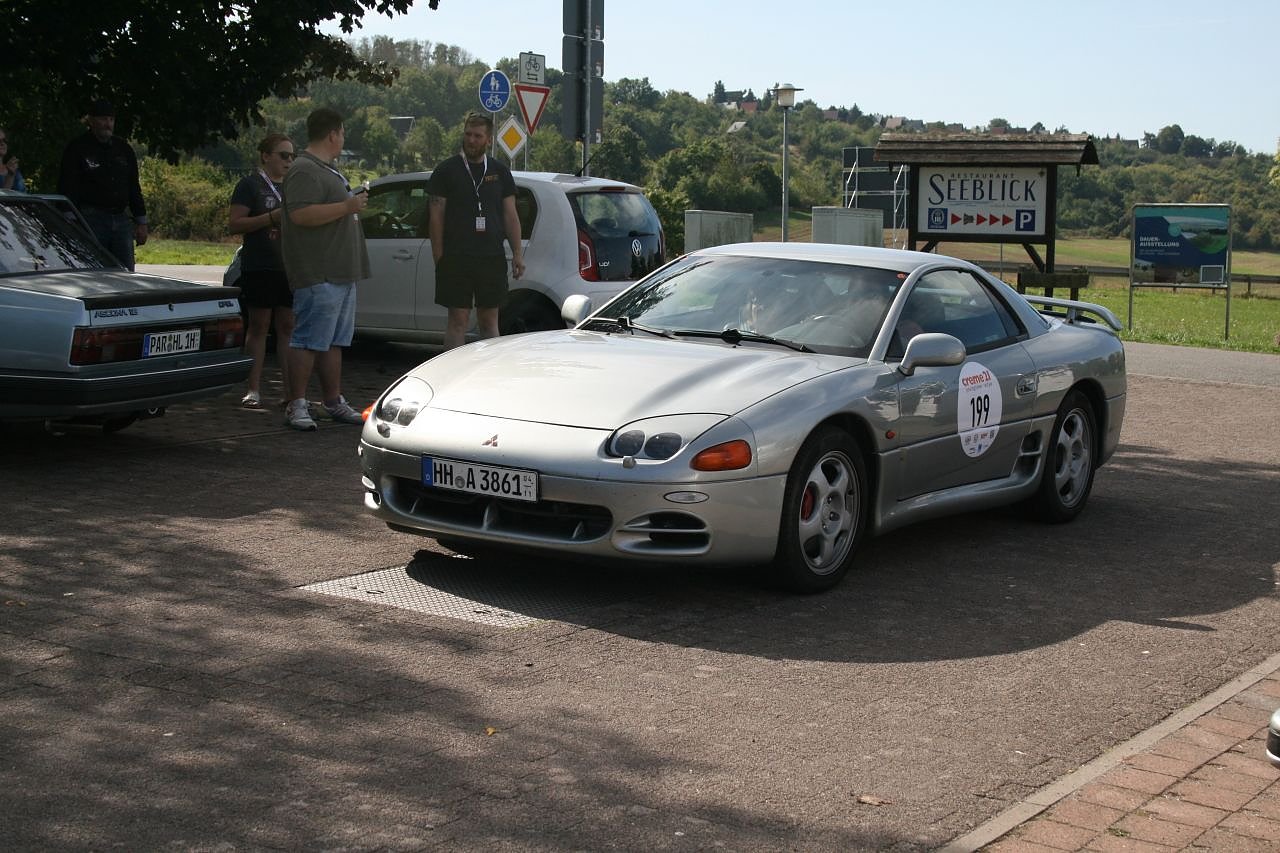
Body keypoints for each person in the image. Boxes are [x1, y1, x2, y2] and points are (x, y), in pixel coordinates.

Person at [279, 107, 369, 432]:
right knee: (307, 340)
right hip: (319, 273)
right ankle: (296, 404)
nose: (343, 138)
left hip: (340, 273)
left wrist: (349, 205)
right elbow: (300, 215)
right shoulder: (304, 170)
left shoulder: (327, 169)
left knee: (333, 342)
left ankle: (332, 401)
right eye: (342, 133)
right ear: (333, 134)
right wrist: (347, 206)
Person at [428, 112, 525, 349]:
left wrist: (517, 254)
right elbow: (436, 216)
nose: (471, 140)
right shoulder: (446, 170)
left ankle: (491, 368)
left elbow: (510, 215)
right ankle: (453, 368)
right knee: (458, 320)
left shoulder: (500, 172)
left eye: (478, 136)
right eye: (468, 134)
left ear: (488, 140)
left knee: (489, 320)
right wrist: (439, 257)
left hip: (491, 257)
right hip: (456, 257)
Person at [228, 133, 297, 410]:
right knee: (258, 327)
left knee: (287, 327)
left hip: (288, 266)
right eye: (283, 155)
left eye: (292, 156)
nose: (288, 161)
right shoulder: (250, 185)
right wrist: (271, 218)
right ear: (266, 156)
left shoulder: (294, 186)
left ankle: (292, 393)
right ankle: (253, 390)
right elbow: (235, 224)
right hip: (259, 264)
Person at [57, 100, 147, 270]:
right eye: (103, 119)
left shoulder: (123, 149)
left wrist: (141, 221)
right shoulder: (77, 148)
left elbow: (133, 187)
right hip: (90, 218)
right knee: (93, 269)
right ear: (91, 121)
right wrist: (69, 219)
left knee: (125, 271)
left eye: (111, 119)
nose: (108, 124)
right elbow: (67, 184)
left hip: (121, 219)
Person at [0, 128, 25, 192]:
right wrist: (10, 176)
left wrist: (11, 173)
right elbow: (4, 197)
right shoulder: (11, 171)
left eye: (4, 140)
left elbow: (23, 196)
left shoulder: (14, 171)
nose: (2, 143)